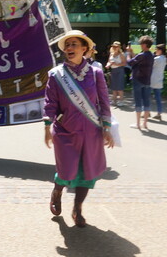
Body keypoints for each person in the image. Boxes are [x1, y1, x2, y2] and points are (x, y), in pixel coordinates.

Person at [43, 29, 114, 228]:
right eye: (68, 44)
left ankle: (77, 208)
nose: (69, 48)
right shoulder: (56, 75)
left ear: (85, 49)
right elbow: (50, 103)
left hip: (92, 132)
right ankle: (57, 192)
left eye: (74, 44)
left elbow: (104, 102)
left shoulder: (96, 73)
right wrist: (47, 127)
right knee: (66, 171)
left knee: (87, 173)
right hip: (66, 131)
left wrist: (107, 128)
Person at [127, 36, 154, 130]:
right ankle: (145, 123)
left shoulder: (142, 55)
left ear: (145, 44)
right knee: (147, 101)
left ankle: (138, 124)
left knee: (138, 101)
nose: (140, 45)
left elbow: (130, 62)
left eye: (141, 43)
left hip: (138, 80)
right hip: (147, 80)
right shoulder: (151, 55)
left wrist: (128, 53)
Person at [105, 41, 126, 106]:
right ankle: (114, 100)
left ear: (119, 47)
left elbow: (124, 63)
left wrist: (116, 64)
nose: (114, 48)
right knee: (113, 86)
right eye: (113, 46)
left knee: (119, 86)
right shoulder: (111, 54)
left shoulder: (121, 54)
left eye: (116, 46)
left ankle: (121, 101)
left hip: (120, 71)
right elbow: (109, 61)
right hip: (113, 70)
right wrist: (107, 65)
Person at [151, 44, 167, 120]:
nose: (155, 51)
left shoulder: (157, 59)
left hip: (153, 79)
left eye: (156, 50)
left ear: (160, 50)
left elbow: (151, 66)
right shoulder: (164, 58)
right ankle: (159, 112)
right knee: (158, 97)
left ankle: (146, 111)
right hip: (159, 79)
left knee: (146, 96)